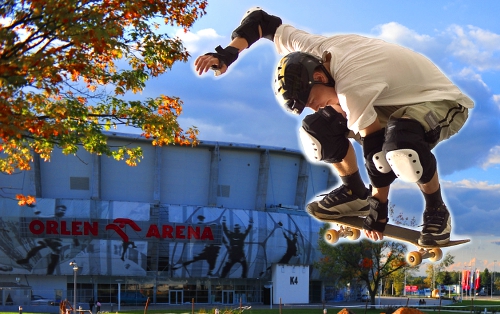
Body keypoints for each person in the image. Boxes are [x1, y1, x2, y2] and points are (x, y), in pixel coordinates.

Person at [194, 7, 473, 245]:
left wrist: (380, 208)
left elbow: (375, 150)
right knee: (318, 129)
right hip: (388, 99)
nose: (315, 106)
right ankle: (354, 192)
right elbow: (260, 21)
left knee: (400, 148)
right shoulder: (311, 49)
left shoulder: (352, 84)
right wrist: (229, 53)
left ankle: (436, 210)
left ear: (319, 76)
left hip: (438, 101)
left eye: (312, 99)